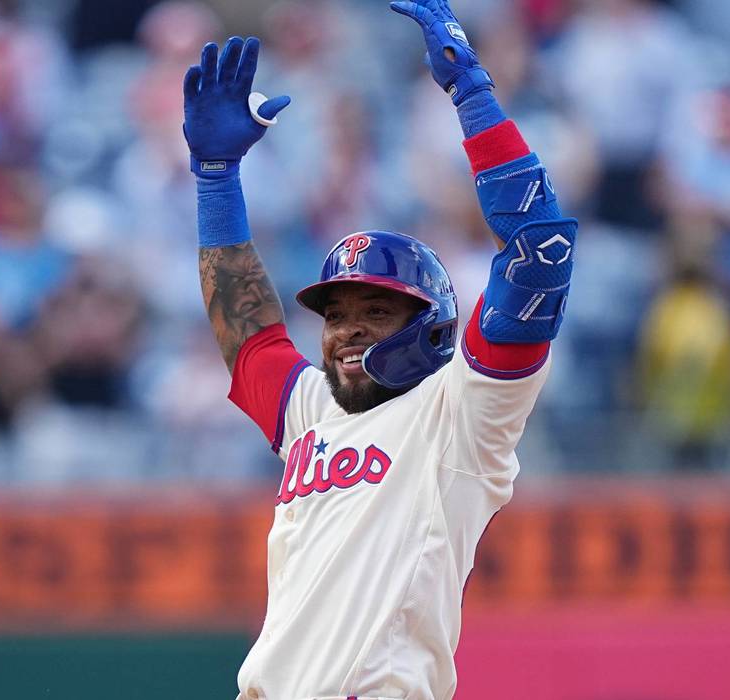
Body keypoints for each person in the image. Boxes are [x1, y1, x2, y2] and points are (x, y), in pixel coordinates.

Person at [182, 1, 578, 698]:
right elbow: (246, 329)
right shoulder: (311, 409)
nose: (348, 328)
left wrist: (472, 96)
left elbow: (540, 254)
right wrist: (217, 179)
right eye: (336, 313)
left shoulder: (463, 411)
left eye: (375, 309)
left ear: (429, 326)